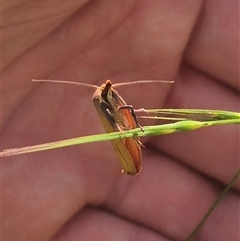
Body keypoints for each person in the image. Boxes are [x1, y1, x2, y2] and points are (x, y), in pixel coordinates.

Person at [2, 1, 239, 240]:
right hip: (121, 135)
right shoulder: (102, 101)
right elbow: (118, 116)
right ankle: (130, 163)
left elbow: (123, 110)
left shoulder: (111, 98)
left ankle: (131, 161)